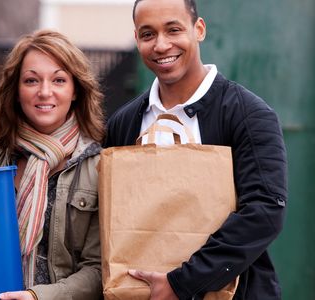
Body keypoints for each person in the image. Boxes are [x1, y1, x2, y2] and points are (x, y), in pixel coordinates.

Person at [103, 0, 287, 299]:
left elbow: (264, 211)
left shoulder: (248, 114)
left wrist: (181, 283)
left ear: (198, 29)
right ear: (137, 39)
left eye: (173, 29)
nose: (161, 45)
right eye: (148, 34)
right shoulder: (123, 123)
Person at [0, 29, 104, 300]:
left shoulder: (100, 167)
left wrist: (37, 297)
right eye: (32, 80)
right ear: (16, 91)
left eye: (58, 80)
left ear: (75, 90)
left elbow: (100, 269)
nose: (45, 92)